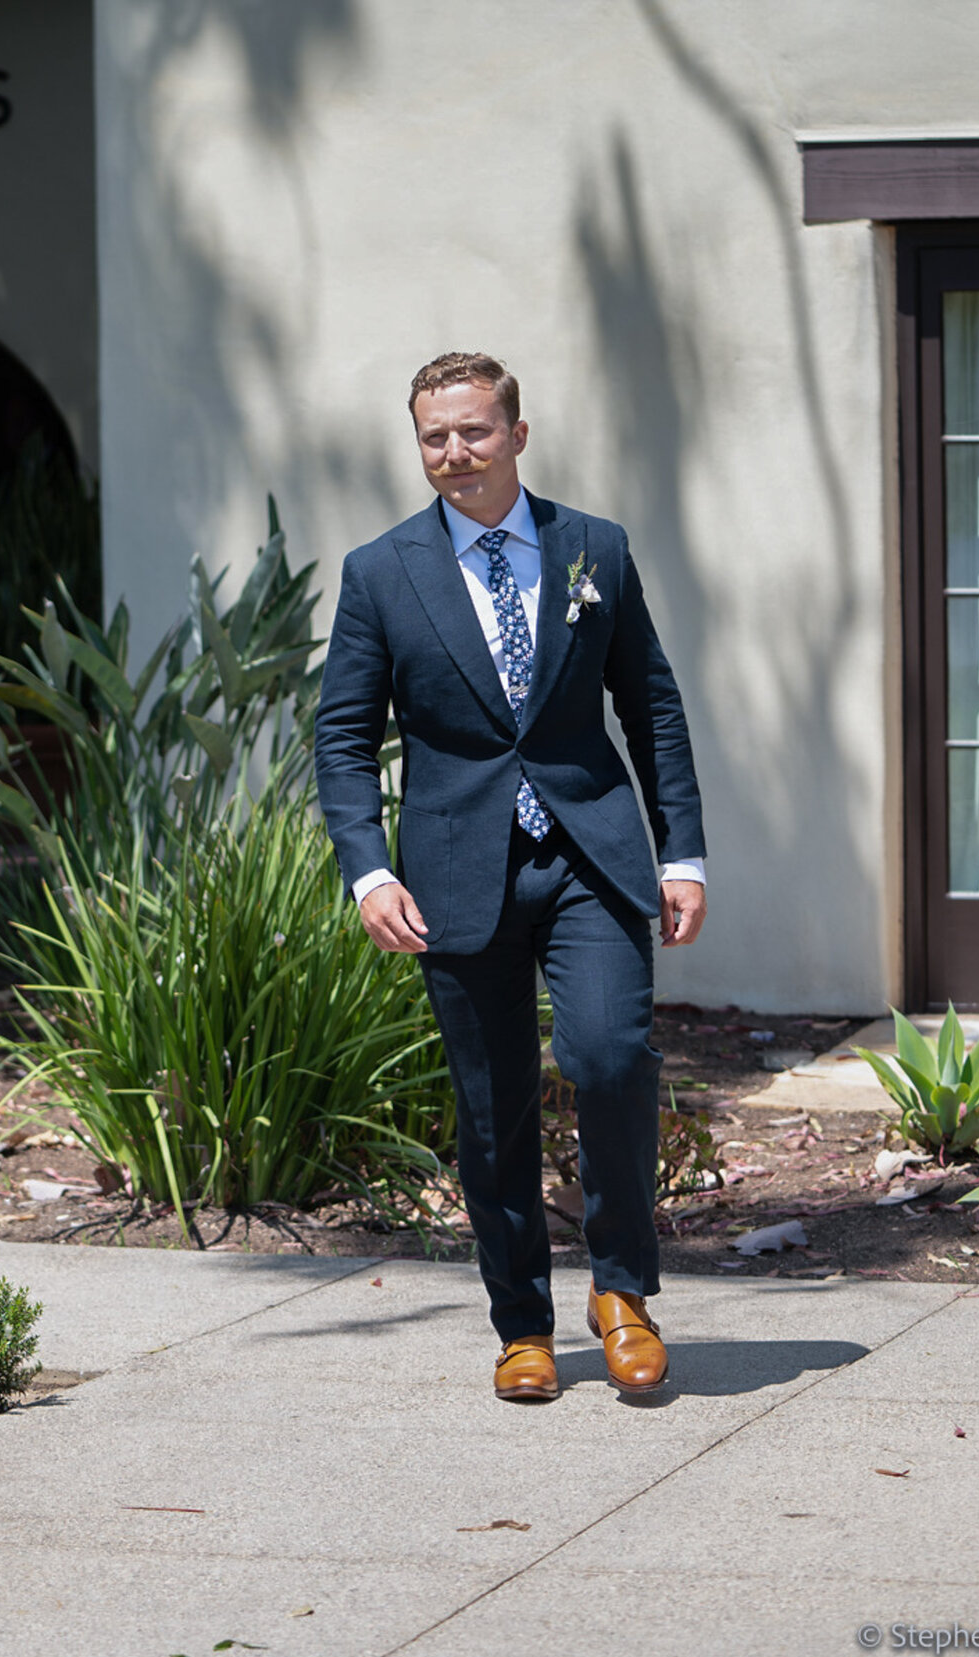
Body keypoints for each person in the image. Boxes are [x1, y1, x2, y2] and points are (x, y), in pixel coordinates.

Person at [315, 353, 707, 1403]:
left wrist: (682, 853)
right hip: (453, 872)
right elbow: (343, 739)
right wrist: (367, 872)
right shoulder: (380, 572)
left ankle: (621, 1293)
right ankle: (521, 1325)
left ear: (517, 435)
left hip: (590, 852)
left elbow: (651, 706)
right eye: (434, 437)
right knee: (491, 1108)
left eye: (473, 432)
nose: (453, 454)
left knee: (610, 1054)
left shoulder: (595, 550)